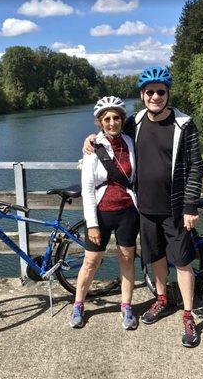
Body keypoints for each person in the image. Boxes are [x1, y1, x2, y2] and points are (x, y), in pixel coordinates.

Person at [83, 67, 203, 347]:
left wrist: (190, 205)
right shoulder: (135, 121)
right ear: (142, 95)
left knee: (183, 261)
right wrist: (90, 139)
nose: (155, 96)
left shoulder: (184, 124)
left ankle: (188, 314)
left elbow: (196, 167)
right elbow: (109, 134)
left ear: (167, 94)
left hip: (175, 209)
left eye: (160, 91)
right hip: (145, 209)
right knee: (158, 258)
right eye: (149, 92)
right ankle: (161, 299)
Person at [70, 96, 140, 330]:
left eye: (116, 118)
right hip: (101, 213)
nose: (112, 123)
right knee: (91, 262)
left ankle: (127, 306)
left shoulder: (130, 142)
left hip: (128, 212)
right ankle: (78, 304)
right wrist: (92, 225)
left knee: (127, 259)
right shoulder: (93, 148)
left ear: (122, 120)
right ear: (100, 122)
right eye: (107, 119)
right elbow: (88, 189)